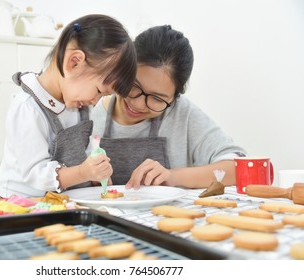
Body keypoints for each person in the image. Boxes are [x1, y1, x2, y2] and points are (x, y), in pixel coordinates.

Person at [91, 25, 247, 189]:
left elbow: (239, 167)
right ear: (123, 68)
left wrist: (173, 176)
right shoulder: (89, 109)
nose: (138, 104)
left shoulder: (181, 114)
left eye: (157, 98)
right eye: (133, 85)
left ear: (174, 98)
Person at [0, 14, 137, 198]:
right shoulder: (28, 107)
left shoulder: (80, 104)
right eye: (98, 90)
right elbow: (35, 174)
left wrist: (95, 172)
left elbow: (84, 151)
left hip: (58, 201)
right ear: (74, 62)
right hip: (20, 206)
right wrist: (82, 172)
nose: (96, 101)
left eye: (104, 96)